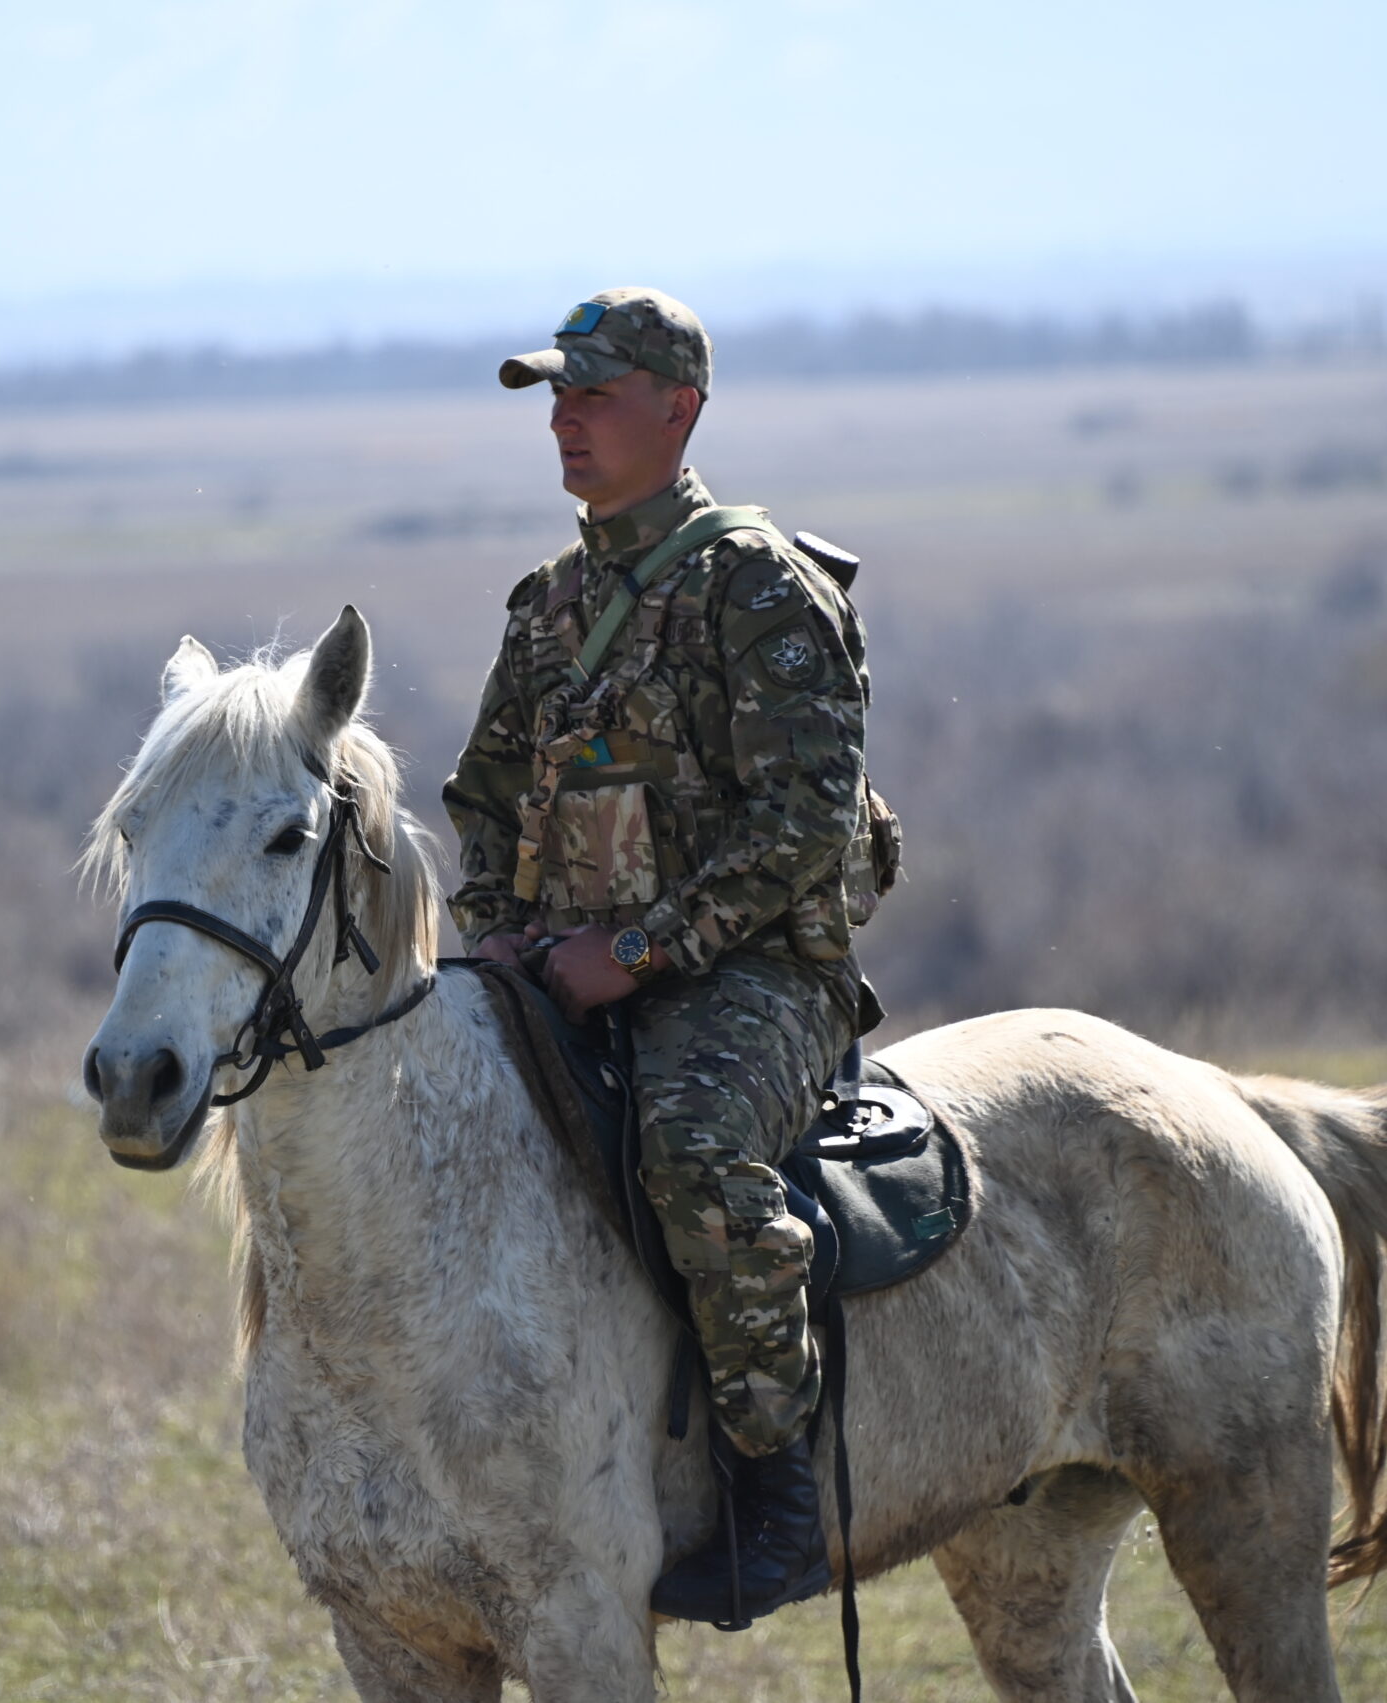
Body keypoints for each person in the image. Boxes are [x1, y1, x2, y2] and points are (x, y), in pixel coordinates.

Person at [441, 286, 891, 1626]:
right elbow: (482, 797)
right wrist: (497, 929)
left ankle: (774, 1491)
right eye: (557, 398)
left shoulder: (756, 585)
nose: (565, 421)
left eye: (594, 394)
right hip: (566, 956)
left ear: (679, 409)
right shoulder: (549, 602)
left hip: (756, 971)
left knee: (693, 1149)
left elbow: (805, 823)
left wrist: (638, 951)